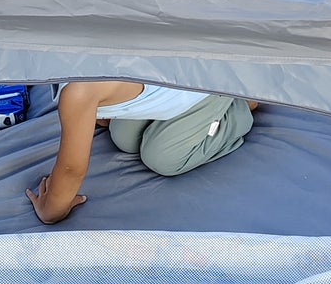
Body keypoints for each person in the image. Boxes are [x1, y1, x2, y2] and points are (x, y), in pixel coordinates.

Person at [26, 82, 255, 224]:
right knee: (123, 136)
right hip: (167, 84)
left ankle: (239, 105)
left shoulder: (77, 93)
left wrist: (51, 211)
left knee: (163, 158)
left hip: (207, 86)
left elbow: (71, 169)